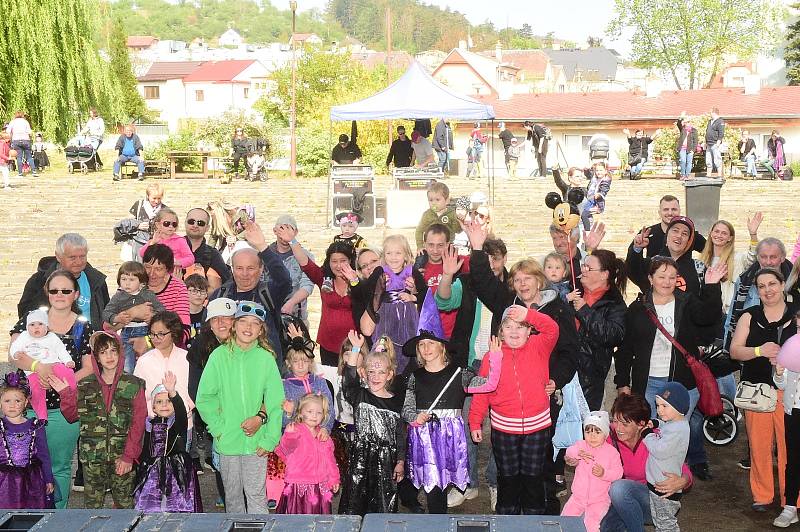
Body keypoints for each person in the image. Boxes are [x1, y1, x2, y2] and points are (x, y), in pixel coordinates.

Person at [10, 269, 95, 506]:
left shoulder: (83, 327)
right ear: (47, 292)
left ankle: (57, 518)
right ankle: (26, 513)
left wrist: (62, 383)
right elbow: (16, 354)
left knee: (59, 466)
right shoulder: (31, 317)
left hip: (63, 408)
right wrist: (40, 369)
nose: (60, 294)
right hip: (26, 408)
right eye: (55, 290)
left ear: (75, 294)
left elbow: (88, 367)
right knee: (23, 462)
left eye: (66, 290)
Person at [435, 239, 507, 508]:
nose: (490, 264)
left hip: (499, 365)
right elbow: (443, 301)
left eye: (496, 259)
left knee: (501, 427)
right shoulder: (466, 282)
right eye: (486, 258)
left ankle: (496, 482)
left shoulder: (510, 287)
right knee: (466, 425)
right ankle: (468, 484)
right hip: (468, 364)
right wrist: (447, 275)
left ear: (504, 260)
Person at [469, 305, 559, 515]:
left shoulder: (539, 346)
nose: (514, 331)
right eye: (508, 326)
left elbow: (552, 328)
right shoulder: (491, 357)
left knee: (533, 477)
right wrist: (475, 421)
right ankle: (507, 517)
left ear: (530, 330)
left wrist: (529, 314)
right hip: (503, 429)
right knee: (508, 477)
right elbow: (482, 392)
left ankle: (533, 519)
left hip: (537, 428)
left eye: (520, 326)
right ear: (500, 332)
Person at [195, 301, 284, 514]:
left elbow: (275, 402)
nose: (248, 327)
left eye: (255, 324)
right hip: (228, 442)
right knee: (233, 498)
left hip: (257, 443)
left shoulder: (265, 359)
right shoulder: (218, 357)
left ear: (261, 330)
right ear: (234, 325)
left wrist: (270, 438)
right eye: (243, 321)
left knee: (256, 496)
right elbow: (205, 398)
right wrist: (219, 429)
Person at [400, 328, 502, 514]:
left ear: (442, 347)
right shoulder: (415, 376)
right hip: (424, 438)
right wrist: (415, 418)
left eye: (431, 343)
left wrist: (495, 358)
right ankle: (426, 510)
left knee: (441, 482)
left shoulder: (459, 374)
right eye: (421, 344)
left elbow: (489, 384)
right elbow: (406, 408)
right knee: (426, 480)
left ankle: (437, 518)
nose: (425, 348)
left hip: (449, 437)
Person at [51, 331, 146, 509]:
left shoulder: (134, 384)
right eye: (103, 352)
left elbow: (138, 423)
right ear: (96, 357)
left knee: (125, 504)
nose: (109, 356)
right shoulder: (85, 385)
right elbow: (71, 416)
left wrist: (128, 456)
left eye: (113, 351)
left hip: (122, 457)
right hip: (92, 459)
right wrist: (66, 394)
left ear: (120, 353)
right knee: (92, 507)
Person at [730, 268, 797, 513]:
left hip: (788, 392)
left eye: (772, 283)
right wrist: (759, 350)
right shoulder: (749, 316)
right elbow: (735, 351)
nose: (767, 290)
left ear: (782, 285)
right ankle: (763, 495)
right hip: (756, 393)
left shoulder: (797, 315)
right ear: (757, 290)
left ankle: (792, 497)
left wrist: (785, 360)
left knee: (791, 446)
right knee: (758, 447)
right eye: (762, 286)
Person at [600, 393, 692, 532]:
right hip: (620, 503)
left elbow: (683, 469)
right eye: (615, 421)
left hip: (652, 502)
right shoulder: (608, 438)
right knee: (606, 528)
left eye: (624, 424)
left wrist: (683, 481)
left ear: (641, 424)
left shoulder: (657, 439)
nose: (618, 428)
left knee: (619, 489)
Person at [339, 334, 406, 515]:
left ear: (390, 374)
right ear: (364, 373)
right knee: (355, 502)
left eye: (381, 372)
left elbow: (400, 435)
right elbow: (349, 379)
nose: (376, 377)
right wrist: (355, 349)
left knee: (383, 504)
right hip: (360, 459)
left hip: (385, 461)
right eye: (371, 372)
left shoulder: (396, 403)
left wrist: (400, 461)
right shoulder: (359, 396)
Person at [209, 222, 292, 363]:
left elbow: (284, 279)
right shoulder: (220, 296)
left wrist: (262, 247)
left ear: (261, 270)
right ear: (232, 269)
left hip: (265, 365)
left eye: (251, 268)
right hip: (231, 366)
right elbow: (208, 335)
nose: (245, 274)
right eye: (239, 268)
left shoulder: (269, 293)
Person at [186, 297, 237, 509]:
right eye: (216, 319)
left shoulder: (245, 340)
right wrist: (214, 416)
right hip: (216, 414)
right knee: (220, 461)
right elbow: (195, 386)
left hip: (244, 411)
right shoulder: (200, 345)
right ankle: (227, 497)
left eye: (227, 318)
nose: (222, 324)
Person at [566, 249, 628, 411]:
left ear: (604, 274)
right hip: (563, 372)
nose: (583, 270)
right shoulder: (572, 290)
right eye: (583, 266)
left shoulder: (615, 303)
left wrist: (585, 311)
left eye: (589, 268)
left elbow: (613, 335)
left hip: (590, 379)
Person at [133, 372, 202, 512]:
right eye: (159, 402)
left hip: (177, 470)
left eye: (168, 401)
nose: (164, 404)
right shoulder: (149, 425)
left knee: (178, 504)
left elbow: (181, 412)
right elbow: (145, 448)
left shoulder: (177, 423)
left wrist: (172, 393)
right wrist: (141, 468)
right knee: (151, 505)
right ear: (153, 407)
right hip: (153, 471)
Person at [359, 235, 427, 374]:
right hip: (386, 314)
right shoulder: (380, 271)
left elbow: (425, 294)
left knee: (409, 345)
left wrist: (412, 296)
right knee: (384, 345)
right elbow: (366, 290)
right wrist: (380, 286)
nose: (393, 257)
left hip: (406, 314)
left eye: (398, 253)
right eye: (389, 253)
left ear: (406, 255)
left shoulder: (411, 271)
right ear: (384, 256)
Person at [285, 239, 357, 367]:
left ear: (350, 261)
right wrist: (291, 240)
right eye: (334, 261)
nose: (338, 266)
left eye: (343, 261)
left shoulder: (359, 282)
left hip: (354, 345)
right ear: (328, 263)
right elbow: (305, 263)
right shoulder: (323, 279)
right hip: (328, 344)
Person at [18, 233, 110, 328]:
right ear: (58, 256)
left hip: (90, 339)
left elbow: (106, 312)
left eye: (82, 256)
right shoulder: (39, 281)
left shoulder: (96, 280)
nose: (78, 262)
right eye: (72, 257)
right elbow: (25, 316)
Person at [275, 393, 340, 514]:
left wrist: (334, 479)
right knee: (297, 519)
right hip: (298, 485)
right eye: (310, 411)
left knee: (318, 520)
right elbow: (286, 449)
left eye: (319, 413)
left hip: (321, 486)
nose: (314, 416)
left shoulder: (324, 436)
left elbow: (330, 460)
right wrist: (289, 435)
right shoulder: (294, 430)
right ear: (300, 413)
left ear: (324, 415)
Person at [724, 237, 793, 348]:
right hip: (750, 347)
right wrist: (727, 347)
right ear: (757, 257)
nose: (768, 262)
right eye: (763, 257)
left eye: (773, 257)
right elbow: (732, 316)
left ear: (782, 258)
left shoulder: (794, 283)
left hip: (786, 346)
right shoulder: (744, 280)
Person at [9, 309, 77, 420]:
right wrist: (16, 353)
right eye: (32, 324)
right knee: (36, 392)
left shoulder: (52, 337)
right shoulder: (24, 336)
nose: (36, 327)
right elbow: (14, 347)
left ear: (47, 326)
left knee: (68, 372)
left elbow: (61, 350)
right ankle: (41, 416)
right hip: (32, 371)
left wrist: (68, 361)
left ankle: (73, 392)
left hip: (53, 364)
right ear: (27, 327)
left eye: (40, 324)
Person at [561, 411, 623, 532]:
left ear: (605, 434)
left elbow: (618, 473)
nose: (592, 436)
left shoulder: (611, 452)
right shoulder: (581, 445)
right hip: (577, 498)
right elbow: (569, 452)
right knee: (565, 521)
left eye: (597, 432)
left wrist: (604, 473)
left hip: (599, 500)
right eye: (588, 432)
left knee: (591, 524)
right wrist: (578, 453)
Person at [0, 371, 54, 509]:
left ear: (25, 403)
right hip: (4, 483)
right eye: (7, 401)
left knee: (30, 516)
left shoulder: (36, 426)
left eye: (17, 400)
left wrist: (48, 479)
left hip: (32, 482)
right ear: (0, 403)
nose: (12, 405)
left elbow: (44, 455)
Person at [644, 382, 691, 532]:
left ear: (678, 407)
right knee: (660, 522)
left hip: (664, 487)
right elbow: (666, 427)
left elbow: (660, 450)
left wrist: (647, 435)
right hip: (659, 484)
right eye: (657, 406)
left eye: (665, 406)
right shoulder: (675, 423)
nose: (659, 410)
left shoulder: (679, 429)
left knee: (666, 524)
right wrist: (657, 423)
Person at [102, 261, 165, 373]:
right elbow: (106, 313)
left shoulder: (148, 294)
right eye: (124, 279)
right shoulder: (118, 297)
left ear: (141, 283)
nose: (127, 283)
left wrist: (153, 316)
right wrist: (117, 318)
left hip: (146, 330)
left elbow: (162, 311)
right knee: (127, 366)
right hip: (127, 332)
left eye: (131, 280)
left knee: (147, 365)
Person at [134, 312, 194, 424]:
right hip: (154, 423)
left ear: (174, 333)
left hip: (184, 422)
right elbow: (138, 395)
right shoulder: (144, 361)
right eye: (152, 334)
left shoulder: (187, 358)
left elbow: (195, 391)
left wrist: (184, 408)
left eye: (161, 334)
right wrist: (153, 411)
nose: (155, 338)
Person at [627, 216, 707, 295]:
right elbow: (632, 272)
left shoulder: (699, 268)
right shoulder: (652, 263)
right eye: (675, 231)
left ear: (689, 241)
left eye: (684, 234)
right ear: (667, 235)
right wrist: (637, 249)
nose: (679, 236)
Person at [281, 325, 335, 432]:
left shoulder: (320, 383)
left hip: (318, 434)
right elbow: (281, 423)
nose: (300, 365)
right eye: (296, 361)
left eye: (305, 361)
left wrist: (325, 429)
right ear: (289, 363)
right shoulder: (284, 387)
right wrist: (288, 413)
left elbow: (330, 410)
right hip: (295, 437)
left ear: (310, 362)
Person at [773, 338, 800, 528]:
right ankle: (790, 506)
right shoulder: (792, 350)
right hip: (794, 411)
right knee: (793, 460)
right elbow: (781, 385)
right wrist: (780, 375)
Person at [270, 215, 315, 323]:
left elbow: (308, 285)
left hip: (296, 317)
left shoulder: (306, 256)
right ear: (275, 231)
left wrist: (291, 303)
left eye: (290, 230)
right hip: (269, 315)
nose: (285, 235)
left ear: (296, 232)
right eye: (282, 229)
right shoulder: (265, 255)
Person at [634, 196, 707, 259]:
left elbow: (710, 251)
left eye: (674, 209)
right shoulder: (647, 233)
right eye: (666, 209)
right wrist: (637, 248)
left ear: (679, 211)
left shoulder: (690, 234)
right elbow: (632, 264)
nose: (670, 213)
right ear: (659, 212)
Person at [184, 207, 230, 292]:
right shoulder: (171, 249)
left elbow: (227, 284)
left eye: (200, 223)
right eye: (191, 221)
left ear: (207, 228)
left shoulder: (213, 255)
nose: (195, 225)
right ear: (185, 223)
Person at [143, 245, 190, 327]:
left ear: (168, 270)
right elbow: (113, 325)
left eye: (158, 269)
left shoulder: (178, 288)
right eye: (148, 267)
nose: (151, 273)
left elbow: (184, 327)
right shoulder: (132, 282)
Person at [126, 182, 168, 262]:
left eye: (159, 198)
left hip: (157, 243)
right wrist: (137, 225)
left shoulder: (165, 209)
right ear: (148, 196)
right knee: (139, 266)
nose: (156, 201)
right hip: (139, 241)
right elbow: (128, 222)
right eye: (154, 198)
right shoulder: (139, 205)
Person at [414, 181, 460, 249]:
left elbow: (457, 230)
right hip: (431, 246)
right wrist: (420, 246)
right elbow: (419, 230)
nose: (434, 203)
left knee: (454, 258)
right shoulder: (427, 214)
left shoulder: (451, 213)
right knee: (420, 258)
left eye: (437, 200)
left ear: (447, 200)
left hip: (447, 246)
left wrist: (459, 220)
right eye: (431, 200)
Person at [581, 162, 612, 231]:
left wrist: (599, 194)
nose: (598, 172)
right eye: (597, 170)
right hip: (589, 199)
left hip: (596, 203)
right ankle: (585, 226)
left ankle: (587, 230)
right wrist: (586, 170)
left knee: (584, 214)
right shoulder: (594, 177)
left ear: (605, 171)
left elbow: (604, 189)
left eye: (601, 170)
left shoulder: (606, 180)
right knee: (582, 212)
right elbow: (588, 175)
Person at [6, 111, 37, 177]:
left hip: (16, 140)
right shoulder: (25, 122)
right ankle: (34, 171)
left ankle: (20, 173)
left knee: (19, 157)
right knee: (29, 156)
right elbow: (29, 131)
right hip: (26, 140)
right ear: (22, 115)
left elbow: (8, 131)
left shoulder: (13, 122)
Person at [676, 115, 698, 180]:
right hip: (682, 148)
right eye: (686, 122)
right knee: (683, 161)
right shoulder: (682, 129)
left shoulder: (694, 130)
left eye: (688, 122)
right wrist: (681, 117)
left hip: (690, 149)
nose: (687, 123)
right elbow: (678, 123)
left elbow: (695, 141)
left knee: (689, 162)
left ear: (690, 123)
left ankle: (687, 175)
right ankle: (683, 175)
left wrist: (693, 150)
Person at [705, 107, 725, 177]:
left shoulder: (720, 121)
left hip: (715, 143)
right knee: (708, 160)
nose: (710, 114)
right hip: (708, 144)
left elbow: (721, 133)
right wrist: (705, 142)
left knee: (717, 159)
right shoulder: (710, 121)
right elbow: (707, 132)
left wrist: (718, 142)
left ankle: (719, 175)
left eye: (710, 113)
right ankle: (708, 175)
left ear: (714, 113)